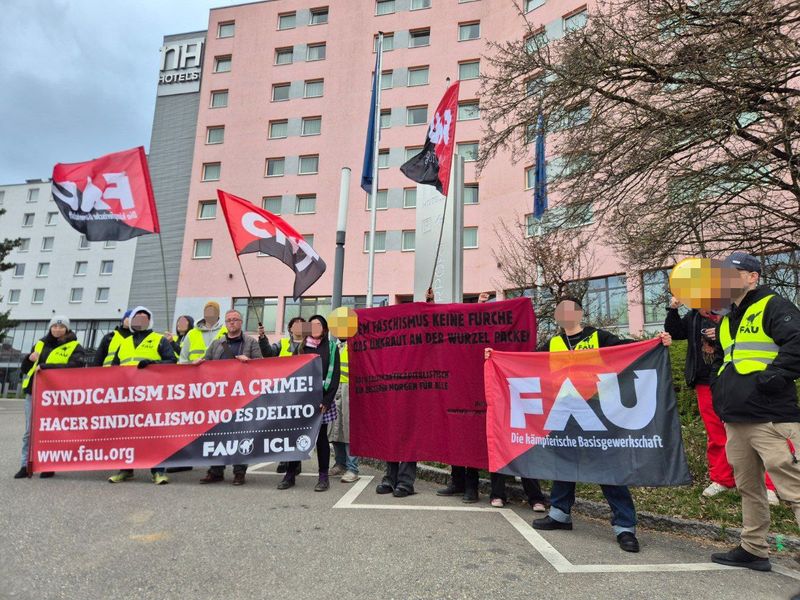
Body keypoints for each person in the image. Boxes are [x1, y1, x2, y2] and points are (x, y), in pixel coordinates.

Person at [529, 297, 672, 553]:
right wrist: (494, 356)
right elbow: (526, 364)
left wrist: (656, 343)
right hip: (565, 411)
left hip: (597, 410)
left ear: (580, 314)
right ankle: (560, 515)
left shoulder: (598, 337)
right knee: (564, 463)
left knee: (609, 467)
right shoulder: (551, 344)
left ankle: (625, 527)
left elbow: (628, 350)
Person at [708, 252, 800, 573]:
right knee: (749, 487)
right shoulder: (727, 318)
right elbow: (722, 362)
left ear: (752, 277)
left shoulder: (774, 306)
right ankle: (754, 548)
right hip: (737, 418)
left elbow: (797, 343)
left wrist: (769, 379)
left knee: (794, 490)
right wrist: (721, 394)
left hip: (772, 416)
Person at [665, 297, 779, 504]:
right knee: (716, 433)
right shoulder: (692, 317)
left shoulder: (733, 312)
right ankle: (722, 479)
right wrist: (672, 310)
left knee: (757, 430)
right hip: (704, 381)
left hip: (735, 378)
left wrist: (720, 333)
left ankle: (769, 485)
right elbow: (676, 333)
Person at [376, 290, 435, 498]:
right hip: (391, 395)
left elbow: (432, 329)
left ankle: (406, 482)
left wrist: (430, 304)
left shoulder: (419, 340)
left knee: (409, 437)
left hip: (413, 396)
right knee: (391, 436)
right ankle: (389, 479)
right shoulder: (389, 340)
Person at [107, 307, 177, 485]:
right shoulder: (124, 342)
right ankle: (125, 469)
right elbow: (115, 367)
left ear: (150, 321)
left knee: (154, 433)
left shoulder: (159, 340)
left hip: (151, 395)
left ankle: (158, 471)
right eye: (136, 317)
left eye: (144, 318)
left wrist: (153, 363)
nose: (140, 320)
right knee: (126, 434)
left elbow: (172, 362)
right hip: (127, 395)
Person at [14, 316, 86, 479]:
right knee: (29, 431)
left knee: (52, 430)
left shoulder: (75, 346)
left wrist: (46, 367)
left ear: (67, 329)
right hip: (34, 392)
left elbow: (76, 366)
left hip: (57, 395)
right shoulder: (40, 344)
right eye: (54, 326)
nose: (57, 329)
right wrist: (28, 359)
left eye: (61, 327)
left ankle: (49, 464)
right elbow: (26, 369)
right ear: (50, 328)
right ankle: (25, 465)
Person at [197, 310, 263, 486]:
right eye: (229, 320)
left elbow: (261, 365)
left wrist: (249, 361)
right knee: (218, 433)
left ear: (241, 322)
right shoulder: (217, 343)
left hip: (242, 396)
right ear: (225, 324)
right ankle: (215, 470)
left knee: (241, 433)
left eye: (235, 320)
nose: (232, 323)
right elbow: (206, 362)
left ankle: (239, 472)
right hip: (220, 397)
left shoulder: (250, 342)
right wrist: (198, 364)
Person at [278, 315, 340, 492]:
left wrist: (326, 401)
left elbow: (334, 377)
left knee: (320, 439)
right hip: (301, 401)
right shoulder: (300, 347)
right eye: (311, 324)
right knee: (296, 436)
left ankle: (323, 477)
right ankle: (290, 474)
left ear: (325, 328)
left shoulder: (332, 348)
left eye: (318, 324)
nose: (315, 327)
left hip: (322, 401)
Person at [259, 317, 307, 475]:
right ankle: (283, 458)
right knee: (281, 427)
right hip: (282, 392)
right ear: (290, 328)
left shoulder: (309, 345)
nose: (299, 328)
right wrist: (263, 338)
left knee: (297, 428)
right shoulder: (282, 343)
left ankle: (295, 460)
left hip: (301, 394)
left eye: (302, 325)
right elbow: (268, 354)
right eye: (295, 325)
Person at [329, 333, 360, 483]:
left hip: (350, 388)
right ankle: (340, 463)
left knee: (349, 429)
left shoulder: (356, 344)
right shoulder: (334, 346)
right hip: (335, 389)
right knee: (335, 428)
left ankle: (352, 468)